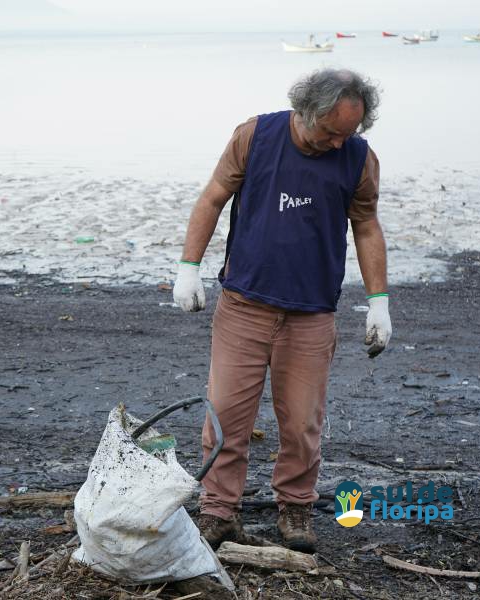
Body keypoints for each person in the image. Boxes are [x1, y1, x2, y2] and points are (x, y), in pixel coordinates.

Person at [172, 68, 392, 553]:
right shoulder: (256, 136)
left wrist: (379, 303)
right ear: (305, 111)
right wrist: (189, 267)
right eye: (329, 131)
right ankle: (219, 513)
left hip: (312, 314)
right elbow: (212, 198)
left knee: (302, 423)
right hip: (243, 305)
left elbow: (367, 225)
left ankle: (295, 511)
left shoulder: (357, 158)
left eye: (348, 134)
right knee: (225, 414)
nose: (338, 143)